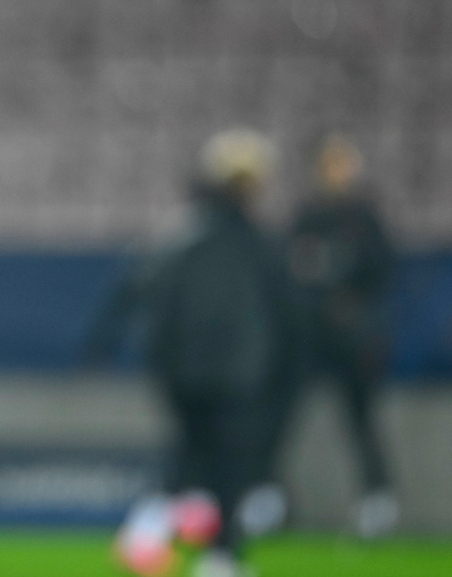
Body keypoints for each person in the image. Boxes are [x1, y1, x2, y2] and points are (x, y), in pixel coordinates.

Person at [89, 130, 297, 577]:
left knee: (192, 453)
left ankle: (153, 532)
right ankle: (219, 555)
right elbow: (285, 309)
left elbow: (134, 290)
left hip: (183, 370)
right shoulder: (257, 243)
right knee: (230, 462)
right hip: (236, 371)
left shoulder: (182, 234)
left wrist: (109, 347)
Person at [288, 134, 397, 538]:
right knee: (282, 416)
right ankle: (269, 497)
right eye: (331, 165)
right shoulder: (306, 216)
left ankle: (377, 499)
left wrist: (354, 307)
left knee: (361, 419)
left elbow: (383, 272)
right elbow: (290, 269)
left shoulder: (364, 218)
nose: (338, 173)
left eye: (344, 164)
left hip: (354, 338)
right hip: (310, 336)